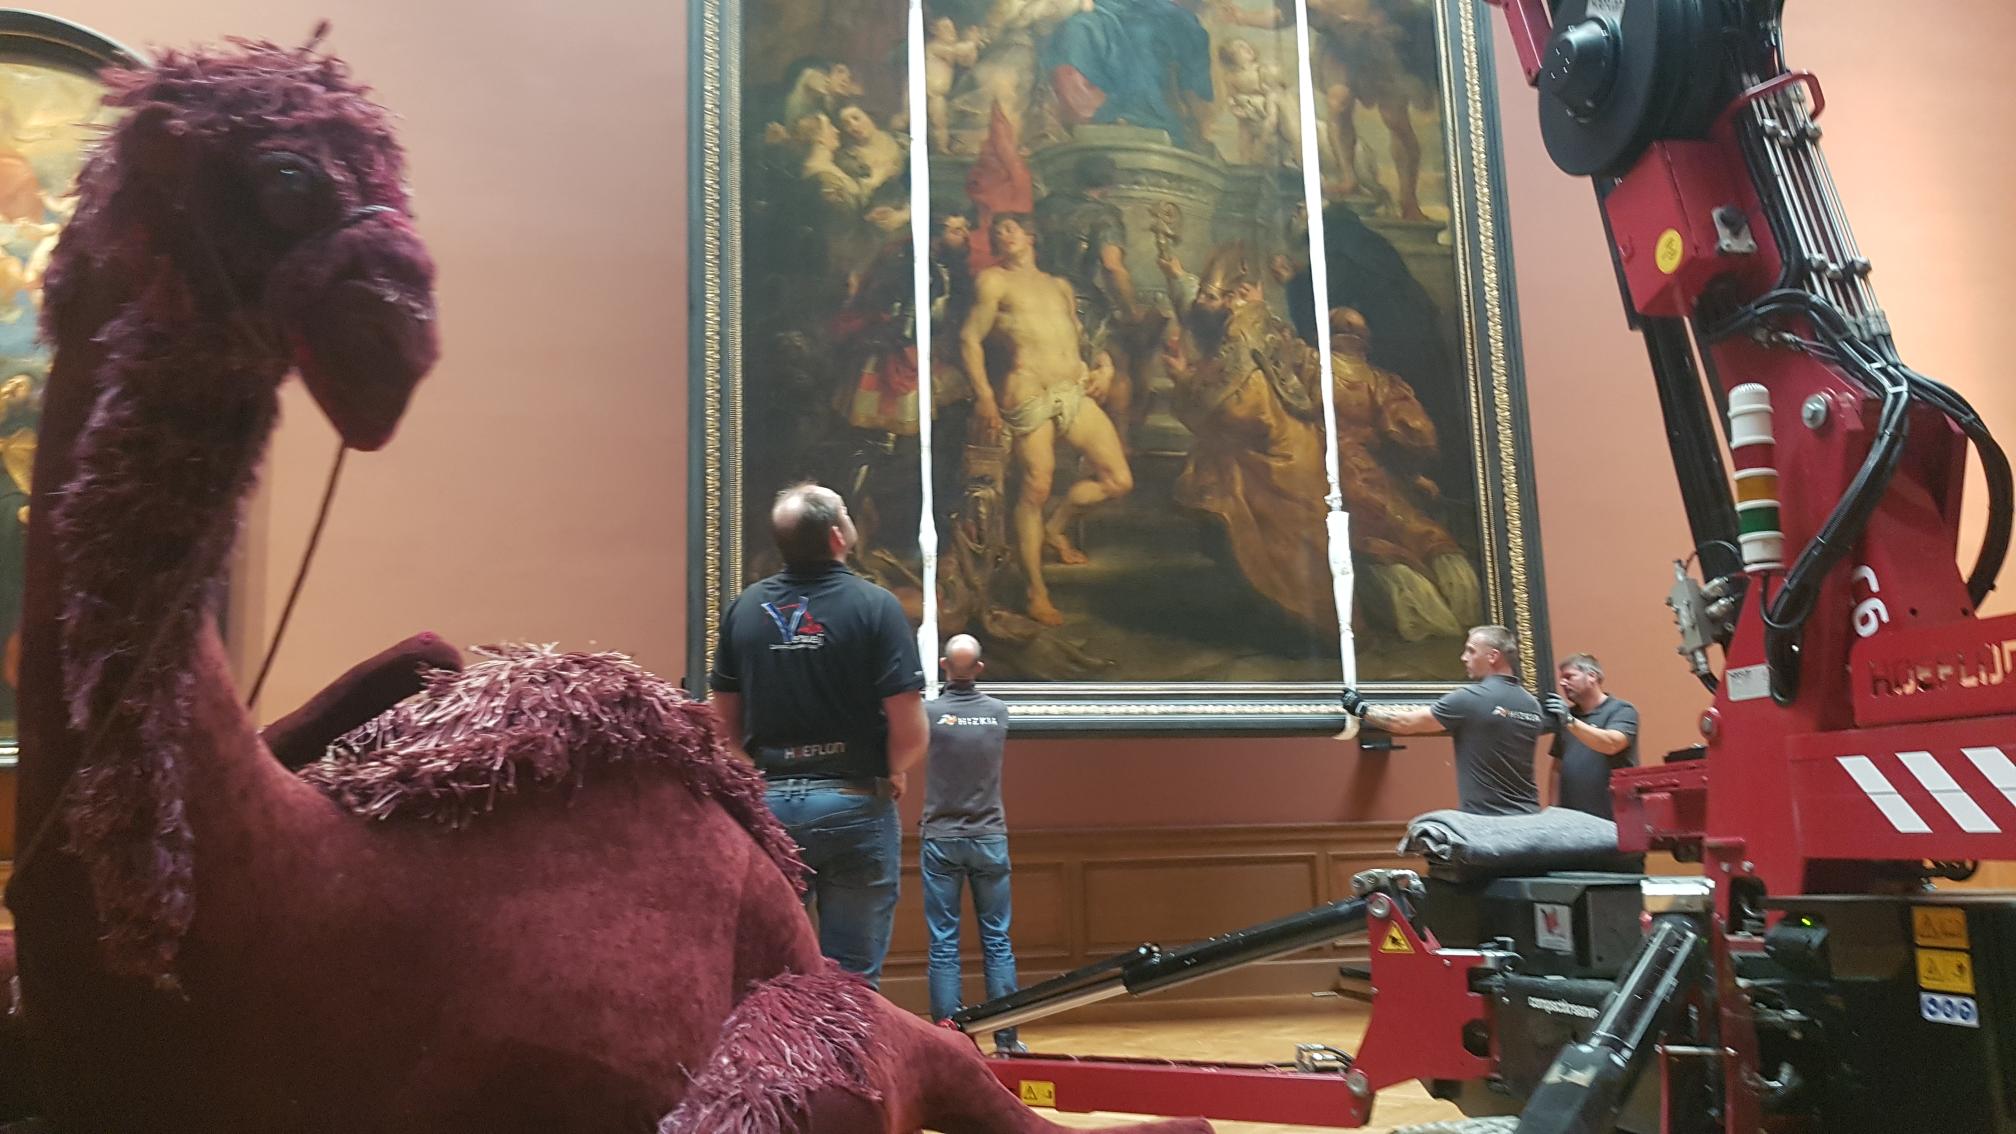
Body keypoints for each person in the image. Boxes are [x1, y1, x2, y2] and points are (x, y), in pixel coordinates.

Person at [709, 482, 929, 987]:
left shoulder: (745, 608)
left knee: (769, 979)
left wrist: (760, 775)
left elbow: (720, 728)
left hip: (769, 809)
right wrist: (890, 767)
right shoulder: (877, 606)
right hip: (854, 803)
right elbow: (911, 729)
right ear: (837, 536)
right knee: (852, 981)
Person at [960, 211, 1133, 626]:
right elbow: (969, 338)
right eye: (996, 231)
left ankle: (1056, 527)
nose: (1002, 235)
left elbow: (1083, 339)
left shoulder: (1059, 286)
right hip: (1029, 391)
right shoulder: (994, 281)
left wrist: (1104, 367)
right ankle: (1035, 591)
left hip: (1072, 390)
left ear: (1030, 236)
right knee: (1036, 487)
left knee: (1119, 481)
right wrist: (985, 396)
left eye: (1009, 228)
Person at [919, 634, 1025, 1054]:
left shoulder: (930, 714)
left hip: (941, 839)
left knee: (944, 943)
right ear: (980, 668)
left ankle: (951, 1044)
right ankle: (1007, 1040)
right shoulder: (998, 713)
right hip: (989, 837)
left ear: (943, 665)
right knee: (997, 940)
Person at [1344, 625, 1544, 816]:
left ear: (1492, 656)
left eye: (1471, 651)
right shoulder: (1531, 705)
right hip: (1529, 816)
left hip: (1487, 821)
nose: (1464, 657)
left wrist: (1362, 710)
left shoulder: (1471, 699)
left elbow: (1404, 723)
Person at [1542, 653, 1640, 821]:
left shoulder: (1622, 710)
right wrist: (1553, 811)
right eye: (1561, 678)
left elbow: (1612, 744)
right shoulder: (1567, 716)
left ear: (1592, 676)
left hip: (1615, 817)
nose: (1562, 683)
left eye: (1569, 677)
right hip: (1572, 819)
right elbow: (1557, 768)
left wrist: (1570, 722)